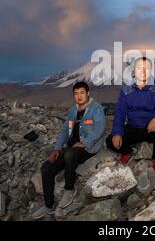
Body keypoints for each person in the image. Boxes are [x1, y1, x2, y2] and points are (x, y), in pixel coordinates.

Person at [32, 81, 106, 219]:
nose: (79, 96)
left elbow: (100, 129)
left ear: (88, 93)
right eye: (76, 94)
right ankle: (48, 206)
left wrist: (84, 143)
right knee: (46, 167)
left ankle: (69, 189)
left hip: (88, 149)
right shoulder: (73, 110)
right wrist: (57, 149)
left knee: (70, 155)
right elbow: (65, 131)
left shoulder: (96, 109)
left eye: (82, 93)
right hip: (71, 148)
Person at [106, 57, 155, 173]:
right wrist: (117, 133)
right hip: (133, 128)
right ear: (134, 72)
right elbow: (120, 113)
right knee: (110, 140)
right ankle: (127, 152)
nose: (143, 71)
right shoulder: (126, 90)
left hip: (150, 128)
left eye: (147, 68)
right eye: (139, 68)